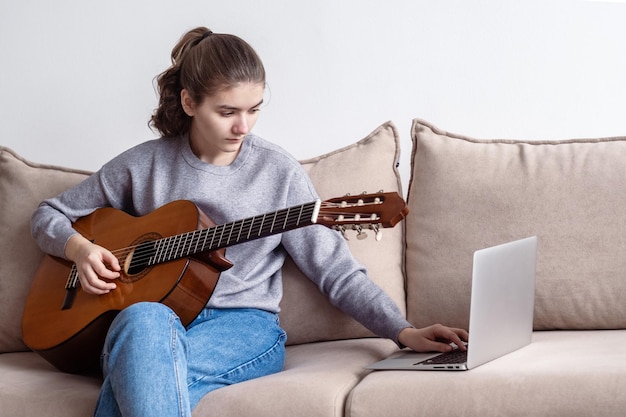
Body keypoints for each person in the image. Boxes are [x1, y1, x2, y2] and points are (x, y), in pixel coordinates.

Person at [31, 26, 468, 417]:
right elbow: (48, 214)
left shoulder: (277, 173)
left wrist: (402, 329)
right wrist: (81, 249)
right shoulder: (144, 165)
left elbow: (335, 271)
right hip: (150, 326)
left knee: (140, 370)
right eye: (227, 112)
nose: (243, 126)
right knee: (142, 321)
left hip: (242, 328)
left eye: (254, 109)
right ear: (189, 102)